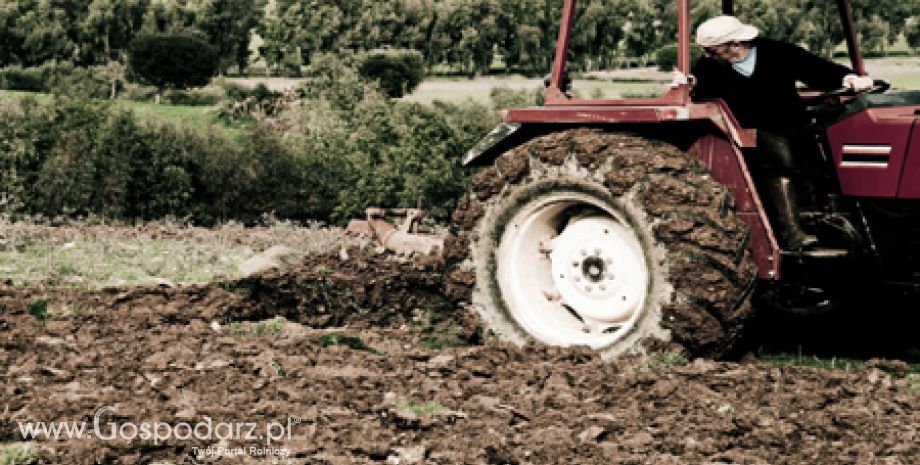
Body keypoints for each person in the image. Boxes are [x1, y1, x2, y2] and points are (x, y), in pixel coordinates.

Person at [687, 15, 874, 250]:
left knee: (826, 145)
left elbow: (816, 68)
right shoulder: (710, 66)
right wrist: (686, 85)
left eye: (712, 51)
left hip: (792, 122)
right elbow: (696, 91)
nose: (706, 56)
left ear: (735, 45)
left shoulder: (778, 53)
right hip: (746, 130)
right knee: (779, 155)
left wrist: (849, 78)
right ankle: (792, 234)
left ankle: (834, 218)